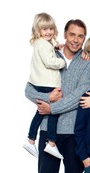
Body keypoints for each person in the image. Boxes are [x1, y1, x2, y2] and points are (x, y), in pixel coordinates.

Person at [20, 19, 90, 173]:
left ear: (84, 38)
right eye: (72, 34)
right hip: (47, 132)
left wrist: (51, 107)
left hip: (74, 132)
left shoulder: (87, 62)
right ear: (64, 34)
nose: (75, 40)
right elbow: (29, 88)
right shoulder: (48, 52)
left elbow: (79, 96)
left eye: (80, 36)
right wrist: (46, 98)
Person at [23, 12, 65, 159]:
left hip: (40, 83)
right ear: (38, 30)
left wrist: (57, 46)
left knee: (41, 112)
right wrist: (62, 62)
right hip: (48, 84)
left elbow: (50, 45)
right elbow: (50, 62)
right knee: (53, 110)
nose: (48, 32)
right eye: (44, 29)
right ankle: (51, 143)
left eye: (51, 29)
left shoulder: (39, 43)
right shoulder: (44, 45)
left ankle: (31, 140)